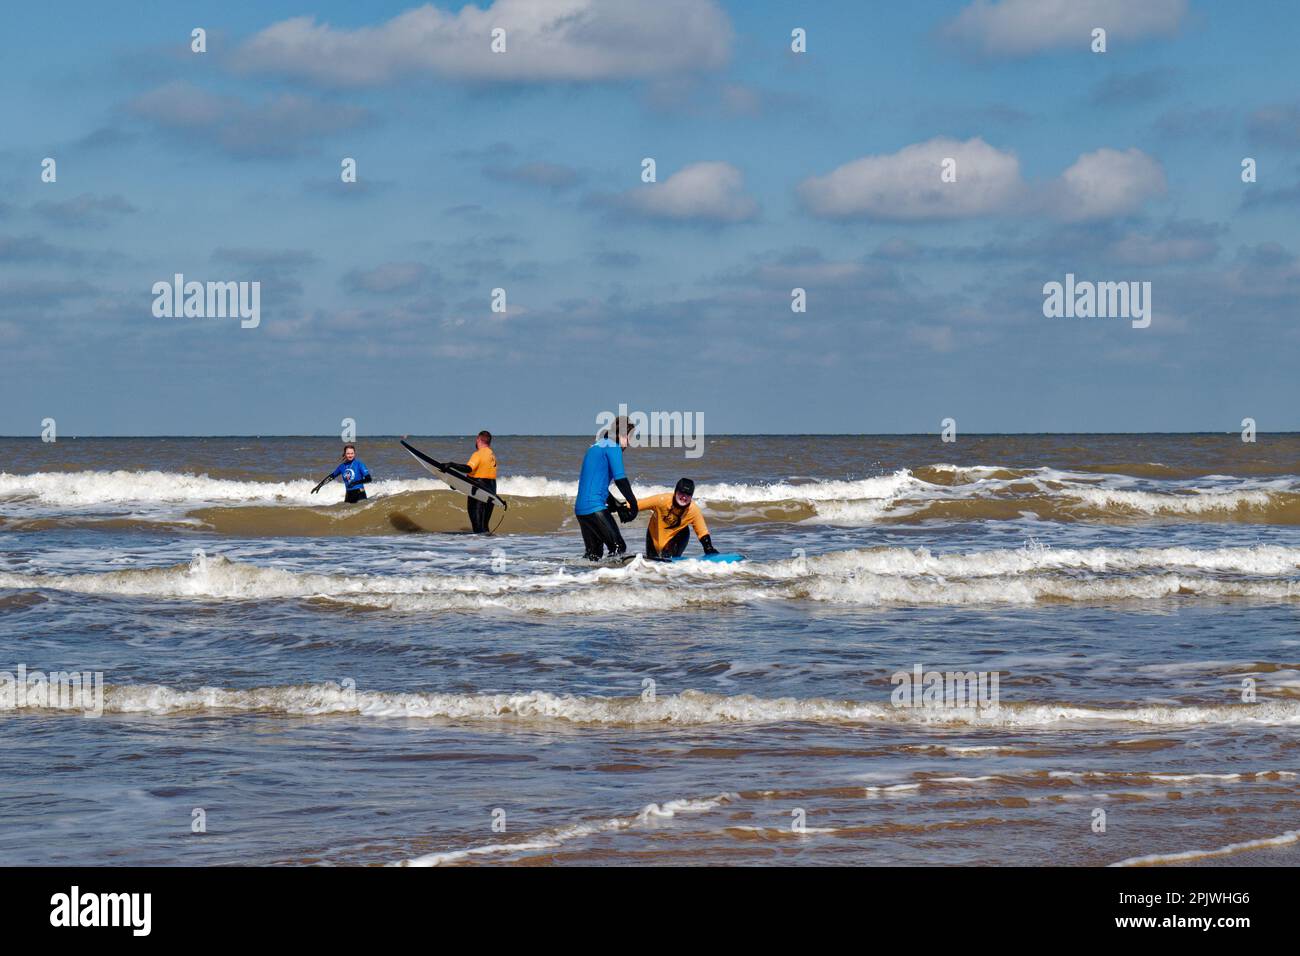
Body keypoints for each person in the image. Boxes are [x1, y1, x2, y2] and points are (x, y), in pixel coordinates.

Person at [574, 415, 639, 560]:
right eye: (630, 437)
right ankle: (615, 581)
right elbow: (620, 479)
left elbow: (594, 483)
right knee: (618, 547)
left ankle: (580, 580)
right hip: (594, 507)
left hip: (581, 510)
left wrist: (615, 503)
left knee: (593, 555)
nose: (629, 442)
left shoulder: (596, 447)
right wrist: (634, 506)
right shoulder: (613, 447)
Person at [629, 478, 719, 560]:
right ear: (676, 491)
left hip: (677, 538)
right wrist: (621, 508)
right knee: (653, 565)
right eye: (681, 493)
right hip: (653, 536)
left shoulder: (693, 510)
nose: (684, 497)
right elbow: (637, 505)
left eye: (688, 495)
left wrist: (708, 548)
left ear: (691, 497)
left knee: (668, 560)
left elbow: (702, 533)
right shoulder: (661, 500)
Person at [448, 431, 498, 533]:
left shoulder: (478, 454)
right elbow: (478, 473)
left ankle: (478, 548)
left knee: (477, 526)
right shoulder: (492, 455)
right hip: (491, 491)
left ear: (478, 439)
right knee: (484, 526)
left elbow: (468, 469)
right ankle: (489, 547)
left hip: (478, 491)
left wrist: (451, 464)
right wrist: (458, 484)